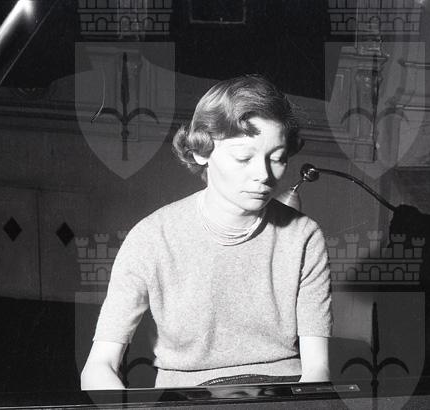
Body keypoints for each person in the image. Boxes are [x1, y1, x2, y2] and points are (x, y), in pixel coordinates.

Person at [80, 75, 332, 389]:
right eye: (243, 157)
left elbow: (317, 370)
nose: (264, 175)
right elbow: (99, 366)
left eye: (278, 158)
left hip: (282, 392)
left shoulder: (304, 236)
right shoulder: (151, 238)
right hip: (185, 398)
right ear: (202, 151)